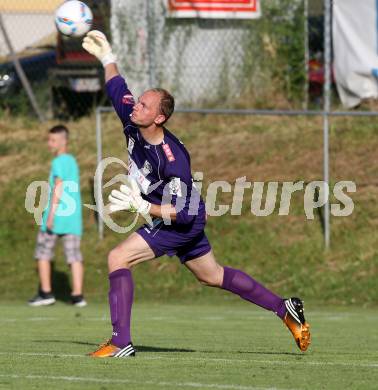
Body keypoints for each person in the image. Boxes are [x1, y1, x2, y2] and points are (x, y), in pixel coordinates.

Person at [82, 31, 311, 358]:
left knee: (118, 257)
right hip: (178, 217)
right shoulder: (134, 121)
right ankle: (285, 308)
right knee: (213, 275)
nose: (136, 105)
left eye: (144, 104)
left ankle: (121, 342)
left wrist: (142, 205)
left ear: (158, 118)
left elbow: (184, 213)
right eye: (139, 101)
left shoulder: (173, 160)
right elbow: (118, 87)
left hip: (179, 219)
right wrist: (107, 57)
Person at [28, 125, 86, 307]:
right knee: (74, 256)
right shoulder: (72, 161)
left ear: (64, 141)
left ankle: (46, 293)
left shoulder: (58, 162)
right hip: (73, 218)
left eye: (53, 140)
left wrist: (50, 215)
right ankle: (77, 296)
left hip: (57, 216)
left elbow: (58, 188)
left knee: (43, 254)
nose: (49, 143)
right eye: (49, 139)